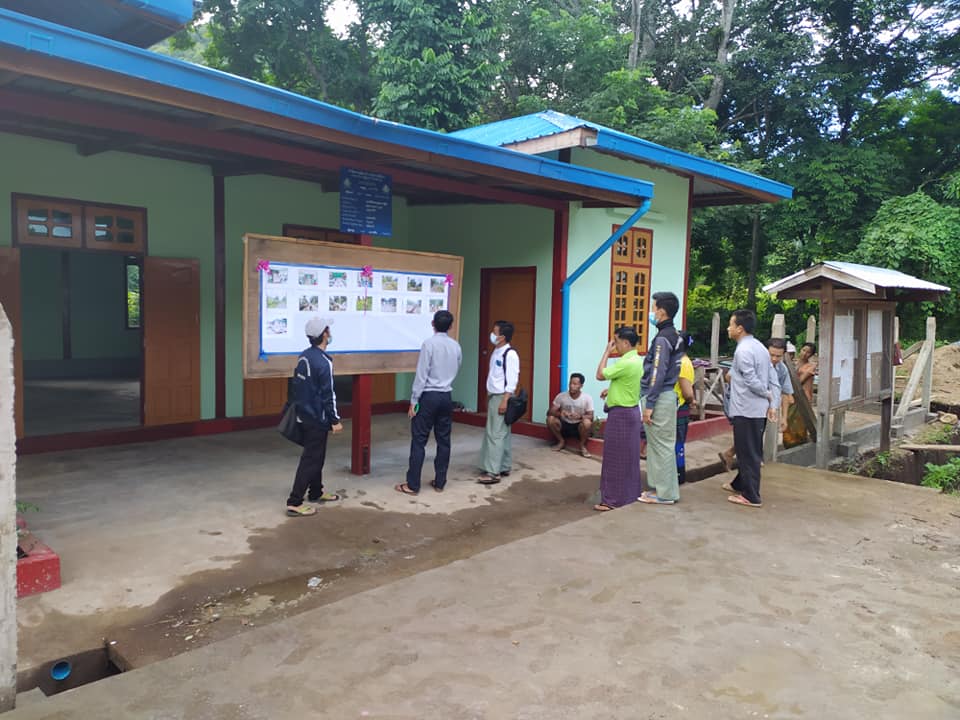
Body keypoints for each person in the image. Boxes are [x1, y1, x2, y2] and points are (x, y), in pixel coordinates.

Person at [395, 310, 462, 496]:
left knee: (419, 441)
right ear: (451, 326)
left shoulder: (429, 344)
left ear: (433, 324)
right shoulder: (456, 346)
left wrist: (414, 401)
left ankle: (413, 485)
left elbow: (422, 374)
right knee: (444, 441)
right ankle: (440, 482)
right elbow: (457, 366)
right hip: (446, 396)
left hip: (428, 396)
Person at [286, 317, 343, 516]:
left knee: (316, 456)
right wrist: (334, 420)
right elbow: (328, 394)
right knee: (311, 459)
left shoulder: (304, 356)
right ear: (324, 334)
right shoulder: (323, 362)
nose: (330, 332)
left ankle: (316, 491)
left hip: (304, 414)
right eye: (328, 330)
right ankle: (294, 501)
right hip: (317, 418)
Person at [723, 309, 779, 508]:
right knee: (749, 448)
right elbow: (772, 377)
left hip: (745, 408)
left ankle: (751, 495)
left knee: (748, 453)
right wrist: (771, 403)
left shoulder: (743, 351)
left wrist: (767, 395)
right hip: (756, 409)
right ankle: (739, 484)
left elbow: (752, 381)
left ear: (740, 328)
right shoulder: (760, 348)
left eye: (731, 324)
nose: (728, 328)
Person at [638, 291, 685, 506]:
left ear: (662, 312)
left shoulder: (663, 339)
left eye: (653, 308)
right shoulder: (674, 334)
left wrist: (650, 404)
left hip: (659, 397)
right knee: (658, 446)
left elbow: (658, 372)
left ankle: (666, 494)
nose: (651, 312)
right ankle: (660, 489)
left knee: (662, 447)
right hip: (665, 396)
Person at [719, 337, 794, 470]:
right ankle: (747, 462)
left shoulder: (782, 370)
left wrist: (784, 417)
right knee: (747, 433)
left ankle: (733, 456)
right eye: (771, 355)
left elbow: (784, 393)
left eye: (778, 356)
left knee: (754, 433)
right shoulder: (752, 362)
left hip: (761, 406)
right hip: (739, 403)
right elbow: (729, 377)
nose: (774, 359)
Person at [593, 326, 644, 511]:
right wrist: (611, 390)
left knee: (614, 459)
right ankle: (629, 494)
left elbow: (600, 374)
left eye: (617, 342)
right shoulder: (637, 360)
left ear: (626, 343)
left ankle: (612, 500)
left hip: (621, 415)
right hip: (631, 412)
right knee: (629, 458)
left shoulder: (626, 362)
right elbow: (629, 383)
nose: (615, 346)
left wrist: (606, 352)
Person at [478, 320, 518, 484]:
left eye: (495, 332)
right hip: (494, 395)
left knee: (495, 434)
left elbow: (512, 380)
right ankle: (503, 465)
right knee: (502, 432)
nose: (492, 335)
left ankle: (493, 472)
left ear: (502, 337)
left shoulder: (510, 354)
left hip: (501, 396)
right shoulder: (497, 351)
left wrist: (505, 400)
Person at [546, 373, 594, 457]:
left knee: (587, 423)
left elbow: (591, 416)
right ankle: (561, 441)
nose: (571, 386)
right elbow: (549, 412)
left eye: (575, 384)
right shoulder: (561, 396)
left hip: (578, 427)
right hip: (564, 425)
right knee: (550, 419)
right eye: (570, 383)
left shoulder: (587, 398)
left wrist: (580, 416)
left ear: (581, 386)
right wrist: (561, 413)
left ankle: (582, 445)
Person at [674, 337, 696, 485]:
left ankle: (678, 475)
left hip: (679, 406)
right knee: (678, 442)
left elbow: (687, 392)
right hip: (679, 406)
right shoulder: (682, 362)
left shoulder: (683, 363)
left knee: (677, 443)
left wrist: (691, 400)